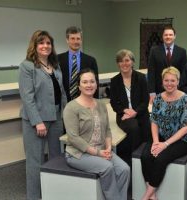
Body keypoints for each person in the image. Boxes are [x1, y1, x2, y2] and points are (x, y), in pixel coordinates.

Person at [63, 68, 130, 200]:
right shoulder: (71, 107)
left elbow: (107, 130)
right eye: (85, 82)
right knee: (107, 167)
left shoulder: (101, 104)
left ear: (96, 84)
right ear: (79, 86)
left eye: (92, 81)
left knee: (124, 169)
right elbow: (73, 138)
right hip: (78, 154)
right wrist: (98, 153)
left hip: (101, 150)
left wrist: (109, 148)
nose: (89, 85)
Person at [18, 30, 67, 200]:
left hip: (56, 118)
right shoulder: (27, 66)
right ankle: (34, 196)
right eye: (41, 43)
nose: (45, 46)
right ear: (35, 45)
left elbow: (61, 93)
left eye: (48, 43)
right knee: (35, 162)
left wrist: (65, 115)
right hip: (36, 121)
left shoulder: (55, 65)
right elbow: (27, 97)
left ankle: (53, 194)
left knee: (56, 158)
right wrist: (37, 122)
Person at [140, 67, 187, 200]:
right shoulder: (158, 99)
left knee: (160, 159)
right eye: (166, 80)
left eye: (172, 80)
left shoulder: (185, 99)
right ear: (162, 81)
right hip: (161, 137)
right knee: (145, 156)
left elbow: (186, 128)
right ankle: (153, 195)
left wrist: (165, 144)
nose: (169, 83)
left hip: (182, 140)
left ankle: (146, 196)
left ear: (178, 81)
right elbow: (154, 122)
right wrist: (155, 141)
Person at [110, 49, 151, 166]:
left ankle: (145, 158)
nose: (124, 64)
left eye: (127, 60)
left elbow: (145, 100)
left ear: (132, 62)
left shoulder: (141, 78)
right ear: (118, 64)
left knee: (147, 129)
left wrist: (135, 112)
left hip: (141, 113)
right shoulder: (115, 81)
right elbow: (114, 103)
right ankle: (133, 160)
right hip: (123, 115)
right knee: (133, 127)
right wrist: (124, 110)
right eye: (121, 61)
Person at [147, 26, 187, 103]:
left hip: (176, 91)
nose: (168, 37)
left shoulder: (182, 52)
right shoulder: (154, 51)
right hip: (159, 92)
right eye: (166, 35)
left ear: (175, 36)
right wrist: (152, 92)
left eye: (170, 35)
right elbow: (151, 72)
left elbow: (184, 73)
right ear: (162, 36)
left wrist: (181, 91)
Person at [58, 26, 99, 101]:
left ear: (81, 40)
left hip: (85, 101)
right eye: (72, 38)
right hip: (64, 101)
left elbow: (96, 84)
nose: (75, 42)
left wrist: (95, 102)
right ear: (67, 40)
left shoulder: (91, 60)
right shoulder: (58, 59)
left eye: (78, 39)